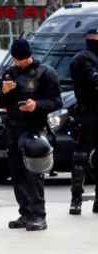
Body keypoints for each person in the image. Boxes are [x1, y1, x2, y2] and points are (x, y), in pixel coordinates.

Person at [0, 38, 62, 231]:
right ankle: (25, 213)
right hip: (13, 129)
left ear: (30, 55)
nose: (19, 63)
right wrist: (4, 92)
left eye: (22, 59)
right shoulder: (10, 73)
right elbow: (0, 101)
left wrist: (36, 105)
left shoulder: (45, 73)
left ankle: (39, 216)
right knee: (16, 174)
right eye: (16, 59)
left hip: (34, 129)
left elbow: (56, 102)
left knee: (34, 173)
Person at [69, 28, 98, 215]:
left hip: (86, 113)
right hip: (87, 113)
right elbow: (92, 80)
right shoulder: (83, 60)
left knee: (81, 157)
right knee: (80, 157)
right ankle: (76, 199)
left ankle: (78, 200)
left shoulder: (80, 58)